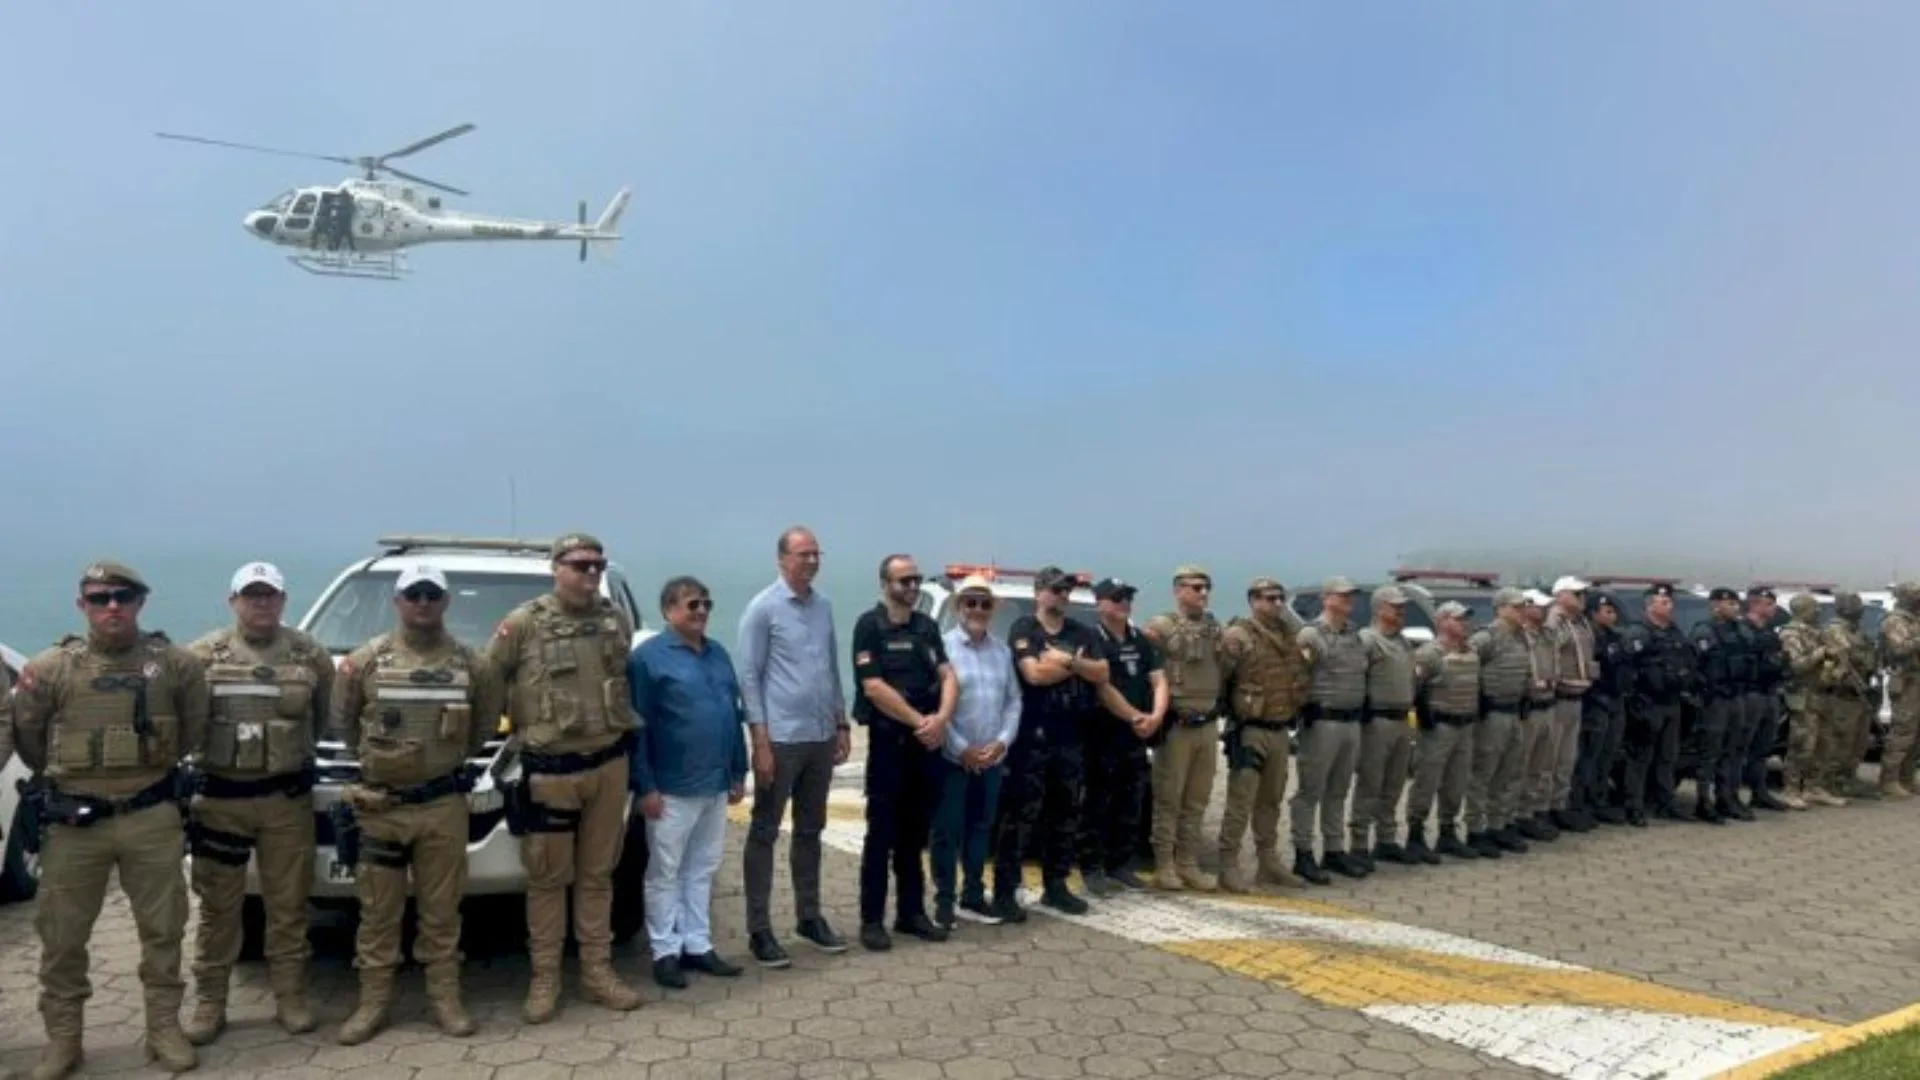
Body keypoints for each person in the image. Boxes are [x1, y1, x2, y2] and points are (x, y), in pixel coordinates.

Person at [9, 561, 207, 1077]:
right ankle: (64, 1041)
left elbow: (191, 729)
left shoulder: (176, 665)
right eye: (100, 598)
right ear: (83, 605)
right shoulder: (51, 668)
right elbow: (30, 740)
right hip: (76, 825)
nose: (112, 606)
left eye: (123, 596)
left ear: (141, 602)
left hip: (151, 816)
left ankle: (164, 1028)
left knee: (164, 929)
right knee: (62, 936)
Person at [332, 563, 506, 1045]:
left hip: (441, 805)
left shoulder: (474, 666)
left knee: (442, 911)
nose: (423, 603)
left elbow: (483, 727)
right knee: (377, 911)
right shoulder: (365, 661)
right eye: (414, 594)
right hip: (381, 807)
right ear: (398, 601)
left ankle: (444, 999)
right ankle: (373, 1003)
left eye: (432, 594)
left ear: (446, 601)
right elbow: (344, 725)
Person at [487, 533, 647, 1021]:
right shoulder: (523, 624)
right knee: (548, 880)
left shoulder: (614, 620)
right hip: (551, 771)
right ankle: (545, 978)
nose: (591, 573)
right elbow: (490, 682)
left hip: (608, 766)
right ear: (556, 568)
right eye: (580, 565)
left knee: (598, 876)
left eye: (598, 565)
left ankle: (597, 972)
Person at [182, 562, 334, 1044]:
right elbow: (186, 723)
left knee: (288, 906)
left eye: (270, 594)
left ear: (283, 600)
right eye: (252, 594)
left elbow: (323, 719)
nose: (262, 602)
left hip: (284, 802)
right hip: (220, 802)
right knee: (219, 908)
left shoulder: (310, 654)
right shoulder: (201, 656)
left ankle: (290, 997)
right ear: (233, 601)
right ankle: (210, 1002)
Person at [627, 576, 748, 989]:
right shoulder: (647, 660)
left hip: (715, 784)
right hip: (671, 788)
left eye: (706, 604)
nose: (701, 611)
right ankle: (665, 950)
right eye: (692, 604)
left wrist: (738, 771)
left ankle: (698, 943)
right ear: (668, 610)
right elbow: (637, 727)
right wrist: (645, 786)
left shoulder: (718, 654)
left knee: (703, 867)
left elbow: (732, 714)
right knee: (665, 871)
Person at [738, 526, 851, 967]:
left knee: (810, 831)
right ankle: (759, 929)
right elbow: (750, 677)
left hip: (820, 737)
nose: (812, 561)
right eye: (803, 554)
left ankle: (809, 917)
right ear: (782, 558)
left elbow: (831, 668)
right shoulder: (763, 609)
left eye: (816, 554)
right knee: (765, 831)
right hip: (781, 740)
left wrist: (841, 723)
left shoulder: (823, 607)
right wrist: (760, 741)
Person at [850, 554, 956, 950]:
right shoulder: (869, 626)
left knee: (914, 834)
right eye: (904, 581)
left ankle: (911, 913)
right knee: (881, 834)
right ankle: (871, 920)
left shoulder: (926, 626)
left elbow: (948, 675)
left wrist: (941, 718)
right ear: (885, 584)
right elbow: (874, 687)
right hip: (890, 744)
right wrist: (919, 721)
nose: (912, 587)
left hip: (924, 745)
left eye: (915, 580)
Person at [996, 565, 1108, 919]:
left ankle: (1056, 887)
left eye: (1066, 591)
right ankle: (1005, 891)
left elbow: (1102, 672)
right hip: (1032, 735)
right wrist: (1078, 665)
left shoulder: (1081, 631)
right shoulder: (1024, 628)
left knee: (1065, 814)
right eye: (1056, 589)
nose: (1062, 596)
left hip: (1070, 734)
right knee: (1021, 816)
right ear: (1039, 592)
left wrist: (1066, 661)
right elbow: (1034, 674)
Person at [930, 576, 1022, 926]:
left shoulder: (1002, 652)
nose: (978, 610)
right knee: (946, 831)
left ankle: (972, 895)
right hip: (953, 759)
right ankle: (944, 901)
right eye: (970, 602)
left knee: (981, 829)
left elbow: (1013, 701)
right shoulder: (943, 648)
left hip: (992, 759)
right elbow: (937, 707)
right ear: (958, 606)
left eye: (985, 604)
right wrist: (962, 748)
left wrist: (1002, 741)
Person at [1214, 577, 1309, 890]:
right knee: (1240, 801)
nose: (1277, 603)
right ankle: (1228, 864)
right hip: (1250, 730)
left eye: (1280, 598)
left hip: (1280, 728)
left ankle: (1268, 862)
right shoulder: (1237, 636)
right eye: (1269, 598)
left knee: (1271, 800)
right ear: (1253, 601)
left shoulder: (1288, 634)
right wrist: (1231, 720)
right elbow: (1221, 680)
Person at [1141, 564, 1226, 891]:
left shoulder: (1215, 629)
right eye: (1195, 587)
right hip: (1177, 724)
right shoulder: (1161, 627)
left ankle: (1188, 863)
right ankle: (1164, 864)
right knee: (1169, 798)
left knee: (1197, 799)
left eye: (1206, 587)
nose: (1203, 593)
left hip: (1208, 724)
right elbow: (1147, 671)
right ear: (1178, 591)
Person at [1084, 577, 1163, 896]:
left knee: (1130, 803)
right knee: (1098, 804)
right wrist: (1135, 717)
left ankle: (1120, 863)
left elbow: (1159, 680)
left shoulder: (1140, 638)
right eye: (1117, 598)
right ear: (1100, 603)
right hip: (1103, 734)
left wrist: (1155, 716)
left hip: (1137, 735)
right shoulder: (1090, 638)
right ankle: (1092, 867)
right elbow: (1103, 688)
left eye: (1128, 597)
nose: (1124, 603)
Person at [1292, 576, 1370, 881]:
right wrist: (1302, 708)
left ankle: (1334, 850)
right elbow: (1297, 675)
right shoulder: (1311, 634)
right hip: (1322, 721)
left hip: (1350, 721)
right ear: (1327, 599)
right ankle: (1303, 853)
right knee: (1310, 790)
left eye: (1351, 595)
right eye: (1342, 595)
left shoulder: (1354, 635)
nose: (1349, 600)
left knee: (1338, 790)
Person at [1350, 585, 1419, 868]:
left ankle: (1386, 839)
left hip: (1402, 720)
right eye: (1395, 606)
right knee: (1370, 783)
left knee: (1394, 783)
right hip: (1376, 721)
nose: (1401, 611)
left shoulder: (1403, 642)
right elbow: (1356, 679)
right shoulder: (1367, 640)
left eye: (1402, 606)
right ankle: (1358, 843)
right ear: (1380, 609)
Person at [1407, 601, 1480, 861]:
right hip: (1438, 727)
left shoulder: (1471, 653)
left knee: (1457, 783)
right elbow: (1412, 688)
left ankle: (1447, 832)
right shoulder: (1429, 654)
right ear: (1442, 622)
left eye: (1465, 619)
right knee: (1427, 781)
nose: (1464, 624)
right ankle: (1415, 833)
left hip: (1465, 726)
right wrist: (1422, 715)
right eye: (1458, 619)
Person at [1620, 582, 1697, 825]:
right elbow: (1627, 668)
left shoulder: (1675, 632)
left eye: (1670, 602)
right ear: (1649, 606)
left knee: (1667, 757)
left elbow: (1688, 661)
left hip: (1672, 702)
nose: (1669, 606)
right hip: (1647, 703)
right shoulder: (1638, 632)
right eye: (1663, 602)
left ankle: (1665, 802)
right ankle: (1633, 805)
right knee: (1640, 758)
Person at [1468, 587, 1533, 856]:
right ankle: (1475, 828)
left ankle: (1499, 824)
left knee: (1510, 772)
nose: (1523, 612)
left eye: (1524, 607)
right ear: (1501, 609)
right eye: (1517, 607)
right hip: (1491, 714)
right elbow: (1468, 670)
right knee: (1484, 773)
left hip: (1514, 711)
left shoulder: (1521, 637)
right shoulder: (1486, 638)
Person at [1690, 587, 1754, 824]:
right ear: (1715, 605)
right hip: (1714, 699)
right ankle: (1703, 801)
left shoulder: (1741, 631)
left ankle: (1726, 797)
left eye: (1736, 603)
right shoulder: (1704, 630)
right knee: (1711, 752)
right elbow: (1695, 664)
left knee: (1733, 750)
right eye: (1730, 603)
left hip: (1736, 697)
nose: (1735, 608)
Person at [1542, 576, 1596, 832]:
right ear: (1561, 595)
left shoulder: (1581, 622)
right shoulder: (1554, 621)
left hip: (1577, 697)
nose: (1582, 597)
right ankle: (1543, 808)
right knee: (1550, 759)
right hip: (1558, 698)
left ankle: (1559, 805)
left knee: (1566, 759)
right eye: (1576, 593)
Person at [1575, 593, 1633, 825]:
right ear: (1593, 613)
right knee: (1590, 756)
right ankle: (1582, 802)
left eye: (1613, 611)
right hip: (1595, 702)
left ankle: (1600, 800)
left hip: (1615, 701)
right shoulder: (1588, 637)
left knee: (1608, 755)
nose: (1613, 615)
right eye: (1607, 611)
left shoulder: (1615, 637)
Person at [1819, 592, 1879, 800]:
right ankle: (1831, 782)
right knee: (1840, 740)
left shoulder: (1857, 631)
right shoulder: (1834, 630)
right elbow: (1842, 659)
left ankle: (1848, 777)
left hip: (1860, 693)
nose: (1859, 609)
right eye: (1854, 605)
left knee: (1859, 741)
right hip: (1843, 693)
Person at [1777, 594, 1833, 808]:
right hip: (1802, 695)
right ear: (1802, 610)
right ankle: (1790, 789)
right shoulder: (1790, 634)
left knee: (1823, 743)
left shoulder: (1817, 632)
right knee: (1802, 744)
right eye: (1814, 607)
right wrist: (1821, 652)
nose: (1818, 611)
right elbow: (1796, 666)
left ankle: (1813, 787)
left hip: (1821, 693)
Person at [1741, 587, 1793, 813]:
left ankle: (1759, 792)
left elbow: (1780, 660)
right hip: (1750, 693)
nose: (1774, 609)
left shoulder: (1770, 632)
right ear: (1755, 604)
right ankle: (1730, 795)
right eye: (1769, 604)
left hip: (1770, 693)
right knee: (1741, 747)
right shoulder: (1743, 631)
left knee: (1763, 747)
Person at [1876, 582, 1920, 797]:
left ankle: (1907, 777)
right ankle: (1889, 779)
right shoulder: (1894, 621)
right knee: (1903, 731)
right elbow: (1899, 649)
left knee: (1916, 733)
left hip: (1916, 680)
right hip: (1905, 681)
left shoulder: (1914, 620)